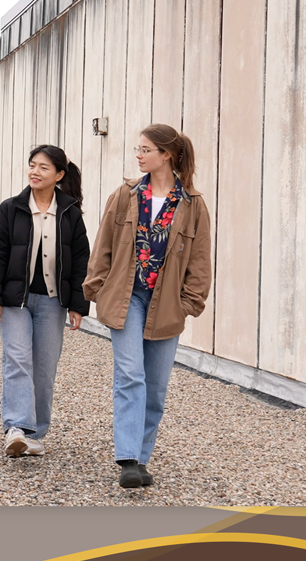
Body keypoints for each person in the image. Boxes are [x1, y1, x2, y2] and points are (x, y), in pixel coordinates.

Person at [83, 124, 212, 489]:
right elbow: (104, 243)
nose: (138, 155)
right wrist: (95, 289)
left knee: (155, 387)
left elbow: (200, 260)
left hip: (167, 303)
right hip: (127, 297)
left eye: (144, 149)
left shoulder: (192, 204)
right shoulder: (125, 196)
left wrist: (188, 303)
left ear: (165, 155)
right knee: (130, 375)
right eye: (137, 149)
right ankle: (126, 458)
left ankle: (141, 456)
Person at [0, 145, 90, 459]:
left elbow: (81, 261)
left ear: (59, 175)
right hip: (16, 300)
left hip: (53, 302)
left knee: (44, 369)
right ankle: (17, 428)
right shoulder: (10, 209)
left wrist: (78, 305)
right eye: (32, 165)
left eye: (44, 167)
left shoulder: (69, 213)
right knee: (17, 360)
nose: (35, 171)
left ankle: (35, 433)